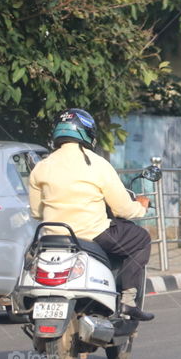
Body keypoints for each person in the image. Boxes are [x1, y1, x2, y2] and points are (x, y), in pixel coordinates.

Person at [28, 109, 155, 321]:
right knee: (141, 239)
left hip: (52, 237)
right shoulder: (97, 164)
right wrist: (140, 207)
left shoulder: (42, 167)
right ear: (87, 133)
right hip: (92, 234)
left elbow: (36, 211)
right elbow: (122, 209)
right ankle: (127, 301)